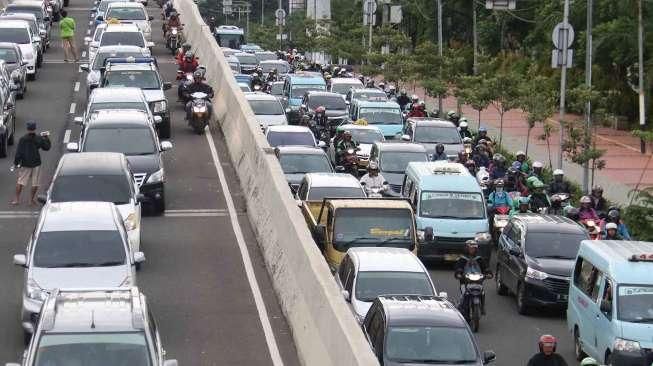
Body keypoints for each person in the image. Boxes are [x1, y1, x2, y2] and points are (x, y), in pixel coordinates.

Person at [11, 121, 51, 205]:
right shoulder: (38, 138)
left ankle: (16, 199)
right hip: (36, 163)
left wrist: (16, 163)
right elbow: (46, 147)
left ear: (27, 128)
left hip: (25, 163)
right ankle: (31, 200)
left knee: (21, 181)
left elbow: (19, 153)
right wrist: (46, 138)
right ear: (35, 128)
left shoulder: (23, 139)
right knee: (35, 183)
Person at [454, 240, 491, 316]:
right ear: (466, 249)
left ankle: (482, 307)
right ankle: (464, 310)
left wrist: (488, 273)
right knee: (465, 295)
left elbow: (485, 267)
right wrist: (458, 274)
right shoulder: (462, 259)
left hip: (478, 282)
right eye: (470, 248)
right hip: (465, 282)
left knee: (482, 293)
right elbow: (458, 268)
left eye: (474, 248)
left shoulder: (479, 259)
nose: (472, 250)